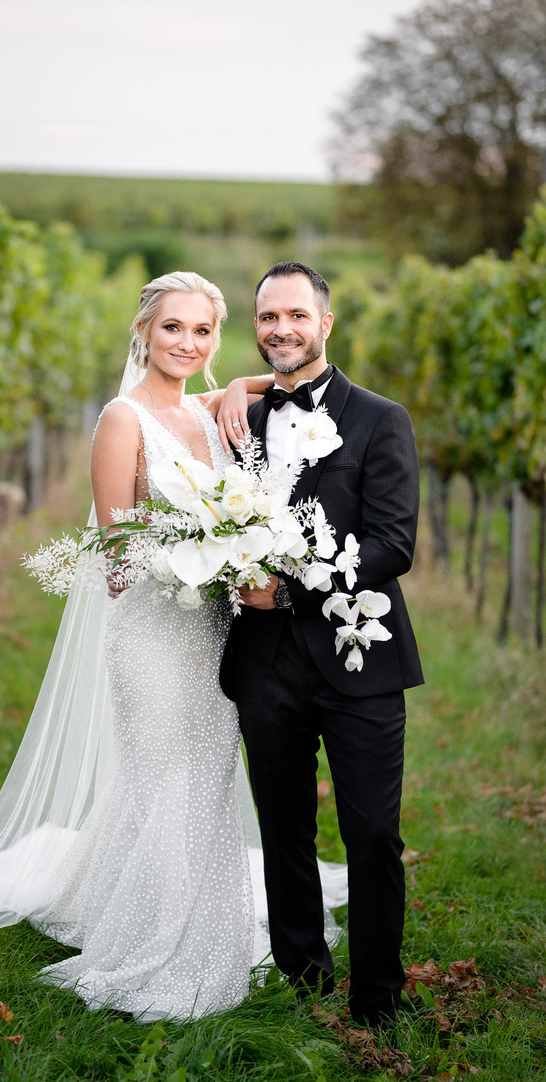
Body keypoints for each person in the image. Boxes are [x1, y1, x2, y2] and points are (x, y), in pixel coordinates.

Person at [0, 271, 348, 1023]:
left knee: (205, 778)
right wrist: (208, 551)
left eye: (203, 331)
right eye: (173, 328)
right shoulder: (123, 419)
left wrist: (239, 407)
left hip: (212, 634)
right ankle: (159, 949)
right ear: (143, 330)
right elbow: (115, 560)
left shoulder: (208, 415)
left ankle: (182, 921)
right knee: (163, 781)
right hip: (151, 633)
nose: (187, 342)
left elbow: (246, 385)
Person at [218, 262, 423, 1029]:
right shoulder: (238, 416)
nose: (281, 328)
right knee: (283, 827)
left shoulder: (380, 418)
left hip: (359, 659)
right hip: (264, 661)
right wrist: (238, 389)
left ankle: (377, 998)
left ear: (325, 324)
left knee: (372, 832)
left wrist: (296, 588)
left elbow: (394, 544)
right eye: (268, 317)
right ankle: (301, 976)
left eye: (295, 315)